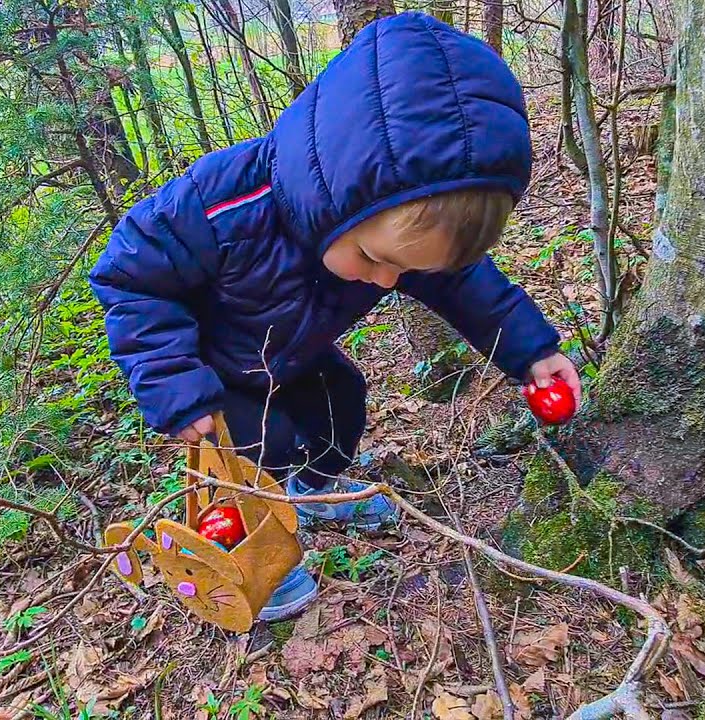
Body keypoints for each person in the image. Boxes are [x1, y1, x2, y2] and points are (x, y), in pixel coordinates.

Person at [88, 11, 581, 622]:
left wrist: (531, 350)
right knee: (252, 457)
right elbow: (127, 276)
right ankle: (260, 563)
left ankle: (316, 490)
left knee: (342, 407)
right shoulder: (226, 202)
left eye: (404, 270)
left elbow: (466, 288)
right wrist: (174, 382)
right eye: (375, 259)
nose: (386, 282)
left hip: (297, 352)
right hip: (218, 371)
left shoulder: (391, 236)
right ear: (332, 199)